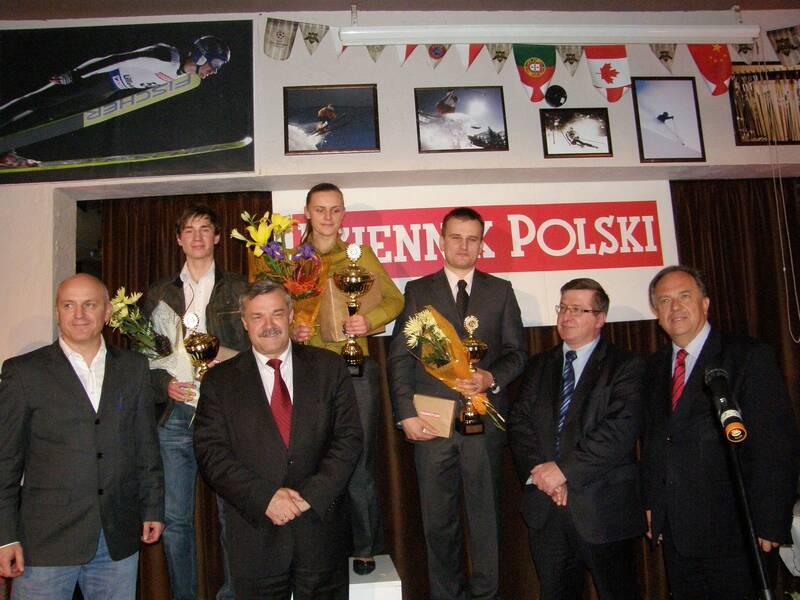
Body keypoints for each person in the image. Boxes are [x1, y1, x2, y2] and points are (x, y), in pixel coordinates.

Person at [388, 207, 527, 600]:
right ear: (441, 241)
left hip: (484, 423)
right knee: (437, 525)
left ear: (481, 245)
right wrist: (405, 414)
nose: (464, 246)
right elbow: (400, 358)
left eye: (472, 239)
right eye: (456, 237)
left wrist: (490, 377)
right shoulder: (418, 291)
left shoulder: (500, 291)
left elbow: (518, 353)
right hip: (432, 424)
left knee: (486, 523)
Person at [193, 280, 363, 599]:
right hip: (255, 535)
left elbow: (349, 439)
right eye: (257, 316)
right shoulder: (219, 381)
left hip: (320, 528)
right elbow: (211, 454)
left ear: (291, 315)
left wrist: (310, 496)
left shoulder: (329, 367)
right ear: (244, 322)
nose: (268, 324)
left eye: (276, 314)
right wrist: (266, 499)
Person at [0, 273, 164, 599]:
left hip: (116, 536)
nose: (79, 314)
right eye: (68, 305)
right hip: (45, 540)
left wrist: (153, 508)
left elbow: (146, 446)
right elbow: (6, 460)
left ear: (107, 312)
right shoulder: (23, 372)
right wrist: (5, 535)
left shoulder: (133, 368)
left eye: (89, 305)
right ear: (57, 312)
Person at [641, 265, 800, 599]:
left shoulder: (747, 356)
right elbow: (656, 442)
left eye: (684, 296)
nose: (675, 307)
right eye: (664, 301)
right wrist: (655, 504)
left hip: (738, 533)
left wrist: (771, 520)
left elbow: (775, 443)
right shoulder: (654, 368)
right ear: (657, 314)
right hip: (679, 535)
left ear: (705, 304)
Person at [508, 278, 645, 600]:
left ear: (600, 318)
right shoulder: (540, 365)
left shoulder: (627, 366)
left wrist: (563, 471)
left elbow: (619, 431)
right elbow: (519, 423)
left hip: (603, 510)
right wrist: (544, 475)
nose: (566, 316)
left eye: (578, 310)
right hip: (547, 509)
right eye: (563, 308)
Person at [291, 182, 404, 575]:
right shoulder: (290, 262)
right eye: (320, 209)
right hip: (306, 373)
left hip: (354, 370)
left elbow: (395, 300)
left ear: (343, 214)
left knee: (358, 461)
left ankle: (364, 547)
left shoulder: (360, 256)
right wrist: (293, 330)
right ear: (307, 212)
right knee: (310, 462)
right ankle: (318, 548)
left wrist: (367, 321)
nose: (328, 217)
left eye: (335, 209)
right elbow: (273, 313)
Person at [143, 205, 249, 600]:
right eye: (189, 230)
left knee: (232, 514)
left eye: (205, 229)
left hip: (226, 413)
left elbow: (259, 347)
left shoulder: (239, 288)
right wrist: (164, 385)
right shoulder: (159, 293)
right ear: (178, 239)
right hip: (177, 413)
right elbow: (145, 357)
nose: (198, 237)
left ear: (218, 237)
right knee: (175, 519)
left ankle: (233, 594)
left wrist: (228, 363)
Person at [0, 35, 230, 167]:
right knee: (35, 102)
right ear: (201, 56)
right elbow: (114, 60)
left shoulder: (182, 76)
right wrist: (75, 75)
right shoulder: (165, 56)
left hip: (106, 90)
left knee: (48, 118)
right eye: (215, 64)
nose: (214, 71)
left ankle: (7, 150)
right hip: (95, 79)